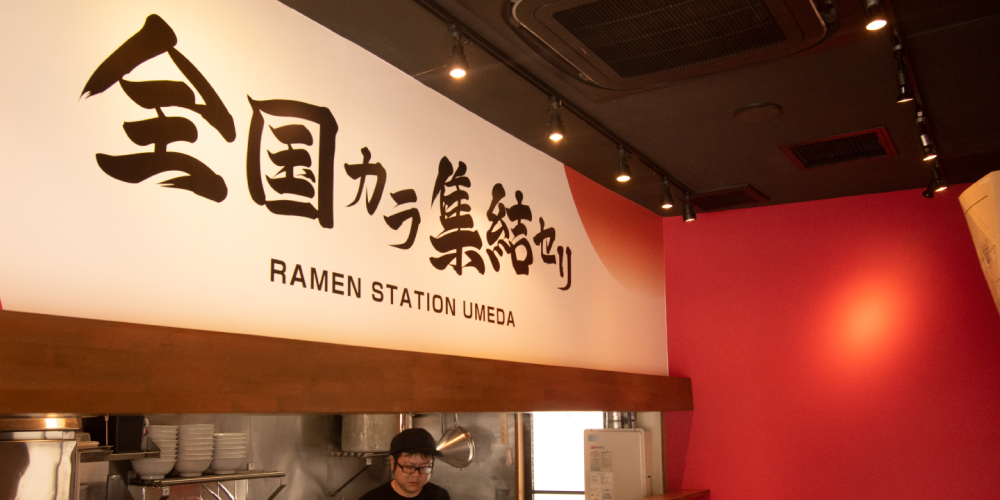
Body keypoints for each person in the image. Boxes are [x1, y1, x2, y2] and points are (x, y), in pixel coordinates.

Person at [359, 428, 451, 500]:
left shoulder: (440, 496)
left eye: (424, 467)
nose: (416, 475)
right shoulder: (372, 498)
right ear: (393, 462)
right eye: (409, 467)